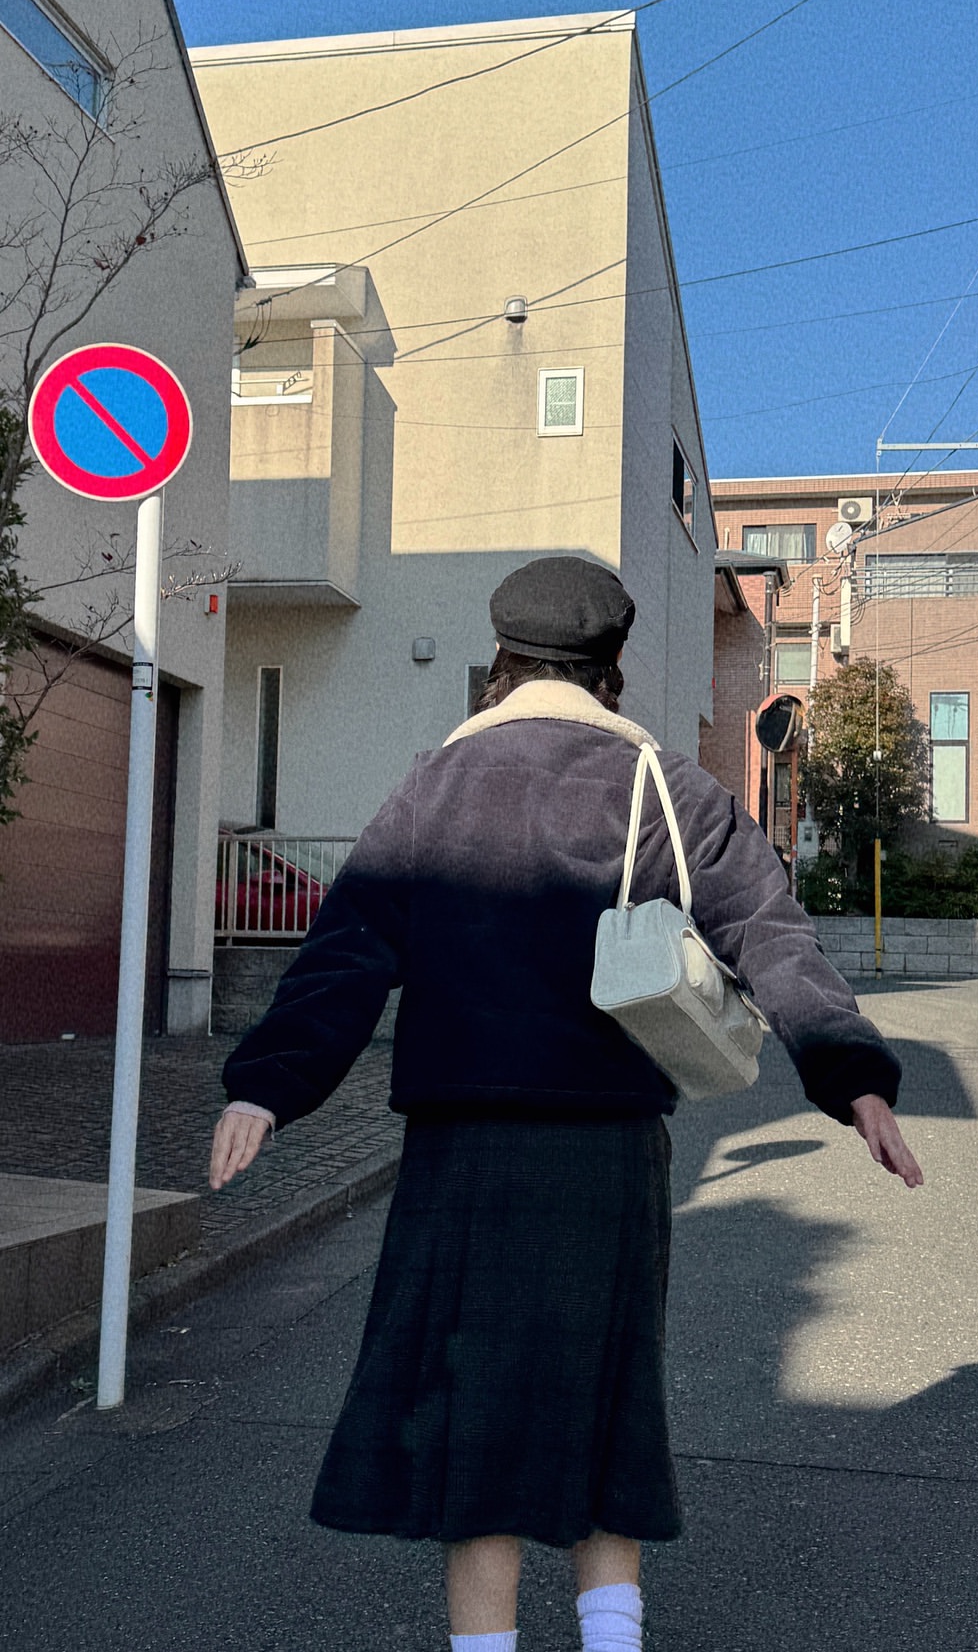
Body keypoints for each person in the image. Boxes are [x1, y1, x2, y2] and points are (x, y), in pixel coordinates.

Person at [210, 555, 923, 1652]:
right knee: (607, 1408)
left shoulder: (436, 785)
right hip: (608, 1153)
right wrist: (852, 1074)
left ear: (502, 659)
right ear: (611, 666)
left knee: (473, 1418)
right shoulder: (664, 788)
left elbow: (347, 950)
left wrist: (267, 1087)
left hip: (462, 1154)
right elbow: (769, 932)